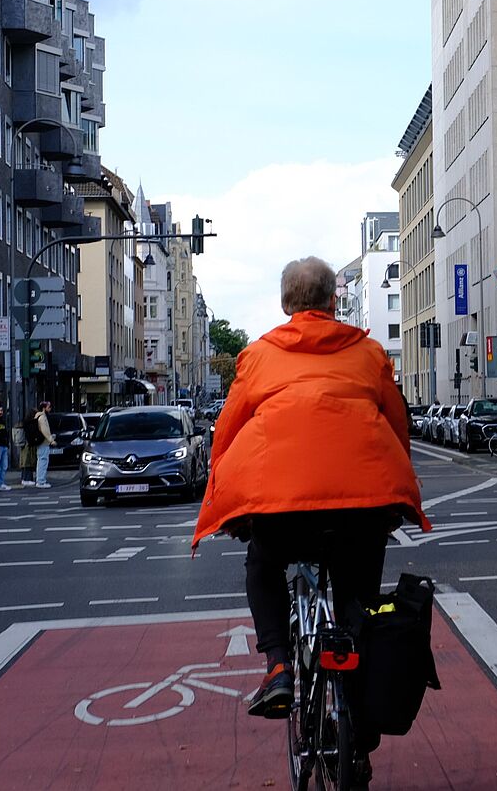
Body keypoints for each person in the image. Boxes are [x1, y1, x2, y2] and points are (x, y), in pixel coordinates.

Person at [193, 257, 427, 784]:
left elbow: (227, 433)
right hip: (361, 509)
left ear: (285, 305)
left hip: (283, 511)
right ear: (333, 302)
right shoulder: (368, 353)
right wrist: (393, 490)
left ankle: (278, 666)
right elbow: (396, 425)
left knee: (262, 562)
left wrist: (229, 503)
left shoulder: (258, 356)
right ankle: (357, 700)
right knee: (359, 600)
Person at [29, 402, 56, 489]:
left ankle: (40, 480)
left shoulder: (38, 416)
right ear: (44, 408)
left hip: (41, 442)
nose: (50, 409)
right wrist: (51, 440)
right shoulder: (42, 417)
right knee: (43, 461)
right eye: (49, 407)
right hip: (43, 442)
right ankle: (41, 481)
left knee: (41, 461)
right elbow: (45, 430)